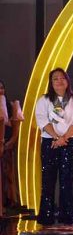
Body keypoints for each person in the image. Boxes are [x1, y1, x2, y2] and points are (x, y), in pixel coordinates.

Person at [34, 68, 73, 225]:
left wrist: (64, 138)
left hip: (69, 142)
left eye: (62, 78)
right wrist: (57, 138)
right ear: (51, 82)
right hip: (50, 142)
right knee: (48, 180)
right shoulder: (44, 100)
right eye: (55, 79)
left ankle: (66, 215)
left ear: (67, 80)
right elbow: (42, 121)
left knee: (67, 180)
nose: (59, 81)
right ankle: (46, 215)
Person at [0, 80, 24, 214]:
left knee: (8, 173)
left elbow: (16, 128)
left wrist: (10, 142)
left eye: (2, 88)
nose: (0, 91)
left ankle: (11, 200)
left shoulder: (11, 106)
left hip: (8, 144)